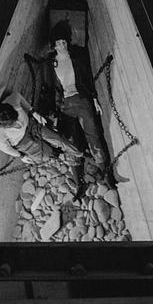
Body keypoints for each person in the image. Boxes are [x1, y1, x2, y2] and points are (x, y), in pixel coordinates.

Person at [43, 20, 119, 186]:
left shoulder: (77, 58)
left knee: (93, 137)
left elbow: (87, 80)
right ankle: (78, 182)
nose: (62, 45)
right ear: (54, 45)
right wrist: (54, 113)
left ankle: (107, 176)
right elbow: (52, 88)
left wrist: (94, 99)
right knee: (70, 140)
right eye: (58, 43)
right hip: (65, 106)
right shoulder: (51, 63)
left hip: (82, 100)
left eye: (64, 42)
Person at [0, 90, 83, 165]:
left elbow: (19, 97)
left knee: (58, 139)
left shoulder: (12, 101)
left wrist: (33, 112)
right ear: (5, 127)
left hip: (32, 125)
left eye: (16, 118)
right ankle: (58, 156)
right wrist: (21, 156)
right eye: (13, 124)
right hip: (22, 142)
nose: (17, 123)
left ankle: (79, 153)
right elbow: (5, 148)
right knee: (47, 155)